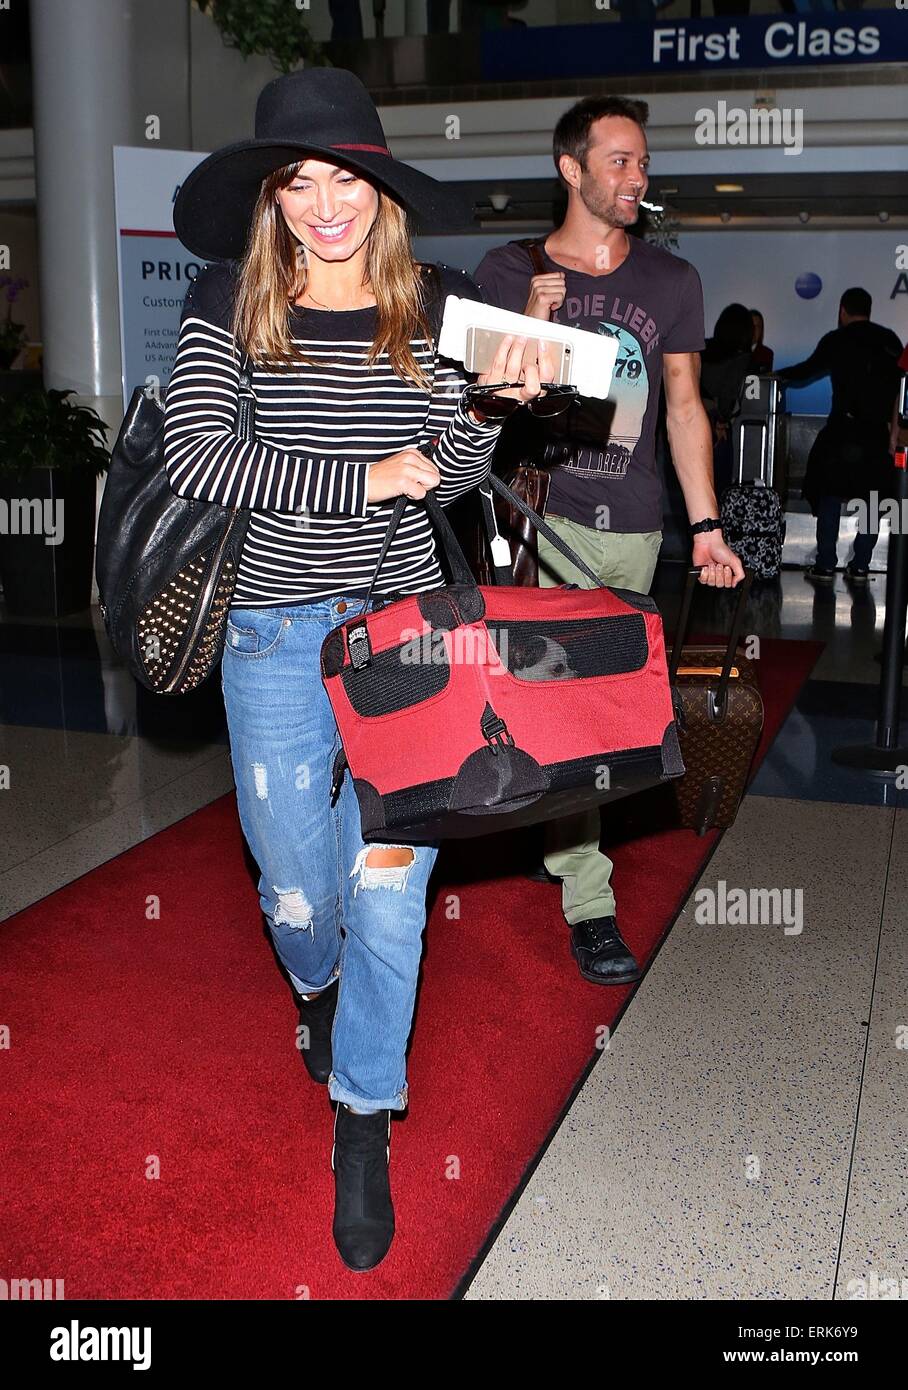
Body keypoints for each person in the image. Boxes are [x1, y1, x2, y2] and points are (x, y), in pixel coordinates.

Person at [165, 67, 551, 1273]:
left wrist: (491, 410)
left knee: (388, 890)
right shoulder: (227, 295)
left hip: (405, 636)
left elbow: (443, 472)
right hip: (273, 633)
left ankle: (364, 1112)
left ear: (378, 189)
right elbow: (197, 455)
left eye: (346, 179)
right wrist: (362, 478)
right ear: (271, 194)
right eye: (299, 182)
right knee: (299, 896)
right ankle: (318, 987)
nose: (325, 204)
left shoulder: (432, 306)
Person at [473, 95, 744, 989]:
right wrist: (527, 323)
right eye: (620, 161)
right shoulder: (507, 267)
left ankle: (572, 870)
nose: (638, 177)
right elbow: (469, 403)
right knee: (542, 701)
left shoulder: (670, 280)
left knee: (599, 711)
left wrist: (707, 525)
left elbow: (682, 407)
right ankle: (587, 894)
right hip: (531, 522)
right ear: (571, 169)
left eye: (641, 162)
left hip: (627, 530)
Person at [777, 287, 903, 582]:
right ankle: (860, 564)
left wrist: (775, 375)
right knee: (873, 499)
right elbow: (901, 385)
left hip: (842, 431)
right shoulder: (889, 341)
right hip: (876, 434)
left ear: (842, 311)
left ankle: (825, 563)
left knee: (828, 493)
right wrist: (893, 434)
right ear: (869, 310)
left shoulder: (836, 340)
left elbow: (806, 369)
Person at [700, 303, 755, 502]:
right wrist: (722, 419)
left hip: (695, 421)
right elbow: (729, 393)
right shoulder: (742, 358)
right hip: (718, 426)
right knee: (720, 491)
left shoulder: (702, 349)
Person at [750, 309, 774, 376]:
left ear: (761, 330)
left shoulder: (767, 354)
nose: (754, 330)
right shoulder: (734, 353)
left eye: (757, 326)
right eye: (751, 325)